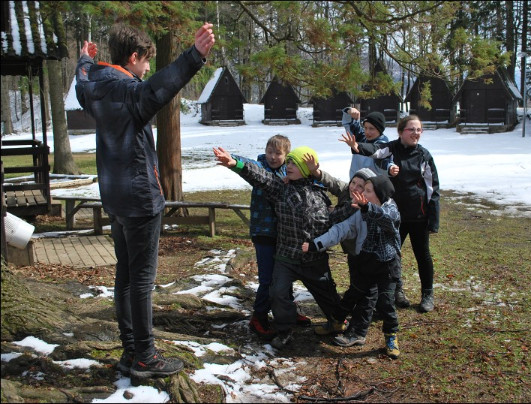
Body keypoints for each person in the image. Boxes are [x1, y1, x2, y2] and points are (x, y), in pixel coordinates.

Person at [75, 22, 215, 378]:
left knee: (125, 277)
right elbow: (159, 87)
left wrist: (84, 59)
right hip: (139, 199)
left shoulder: (94, 87)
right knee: (140, 281)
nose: (148, 68)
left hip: (115, 198)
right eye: (146, 61)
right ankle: (145, 357)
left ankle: (130, 351)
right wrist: (194, 56)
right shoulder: (128, 91)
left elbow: (81, 79)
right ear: (133, 57)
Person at [213, 145, 355, 349]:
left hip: (314, 259)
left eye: (294, 163)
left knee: (327, 294)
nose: (288, 166)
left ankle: (336, 321)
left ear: (306, 168)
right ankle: (285, 330)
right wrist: (236, 164)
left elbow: (335, 214)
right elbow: (261, 176)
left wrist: (352, 205)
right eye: (288, 161)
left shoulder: (320, 193)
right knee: (278, 293)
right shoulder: (281, 189)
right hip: (286, 258)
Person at [340, 114, 440, 313]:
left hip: (418, 216)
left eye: (419, 130)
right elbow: (375, 150)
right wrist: (357, 146)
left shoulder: (424, 155)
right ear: (401, 131)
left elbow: (432, 189)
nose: (416, 133)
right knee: (391, 256)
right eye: (411, 129)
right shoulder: (391, 148)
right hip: (393, 217)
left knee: (423, 255)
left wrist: (433, 218)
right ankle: (397, 291)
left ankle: (427, 294)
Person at [302, 175, 402, 359]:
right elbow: (342, 228)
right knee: (352, 295)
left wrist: (367, 207)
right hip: (367, 260)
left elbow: (386, 220)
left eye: (368, 191)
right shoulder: (361, 209)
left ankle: (391, 337)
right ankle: (336, 322)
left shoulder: (391, 209)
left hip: (387, 265)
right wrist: (316, 244)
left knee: (386, 303)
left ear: (380, 194)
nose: (363, 193)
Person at [231, 135, 311, 340]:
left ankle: (287, 312)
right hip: (264, 232)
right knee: (267, 279)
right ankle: (258, 317)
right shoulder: (260, 167)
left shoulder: (289, 171)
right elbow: (247, 165)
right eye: (269, 152)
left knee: (284, 275)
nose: (273, 157)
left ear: (286, 155)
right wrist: (231, 160)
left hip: (285, 233)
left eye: (278, 153)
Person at [341, 107, 391, 178]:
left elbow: (383, 161)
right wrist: (349, 111)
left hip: (372, 184)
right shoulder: (361, 137)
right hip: (355, 182)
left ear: (380, 130)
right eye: (365, 128)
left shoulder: (383, 145)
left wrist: (390, 168)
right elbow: (349, 124)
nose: (367, 132)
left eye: (371, 128)